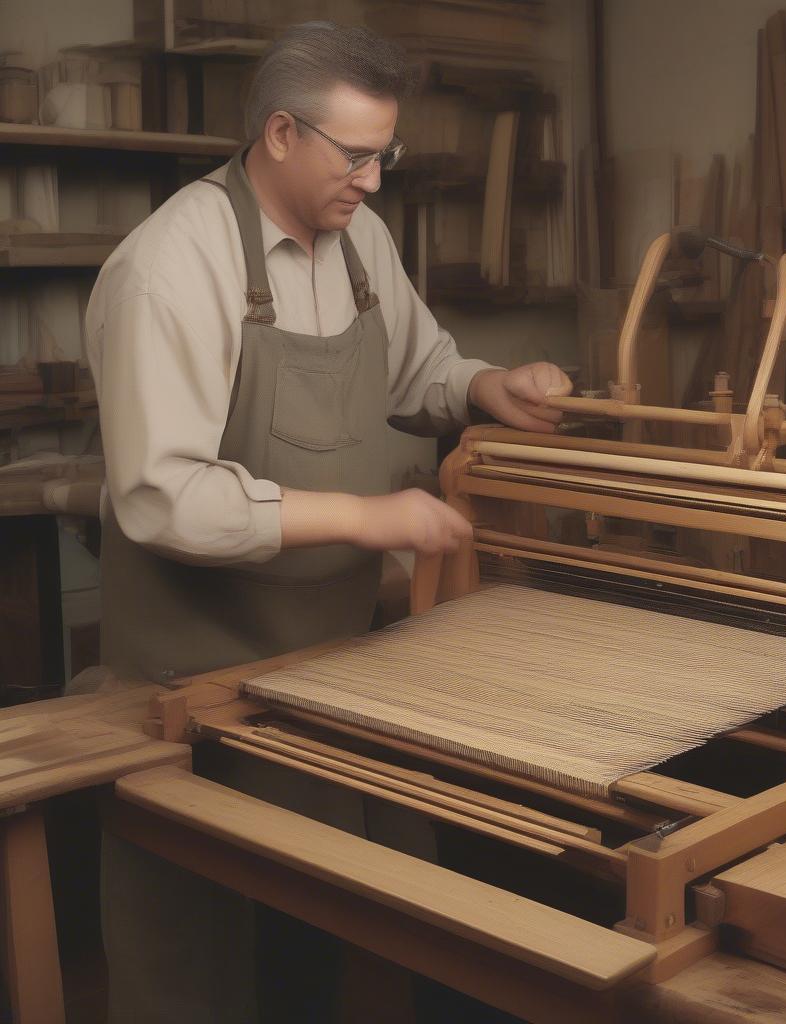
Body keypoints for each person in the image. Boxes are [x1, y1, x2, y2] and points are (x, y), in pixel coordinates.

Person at [84, 20, 571, 1022]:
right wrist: (365, 513)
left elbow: (419, 368)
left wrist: (486, 384)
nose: (375, 179)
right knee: (198, 966)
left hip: (339, 676)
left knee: (360, 945)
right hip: (196, 686)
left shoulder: (362, 243)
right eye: (356, 155)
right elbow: (161, 494)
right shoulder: (169, 270)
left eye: (383, 154)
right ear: (278, 134)